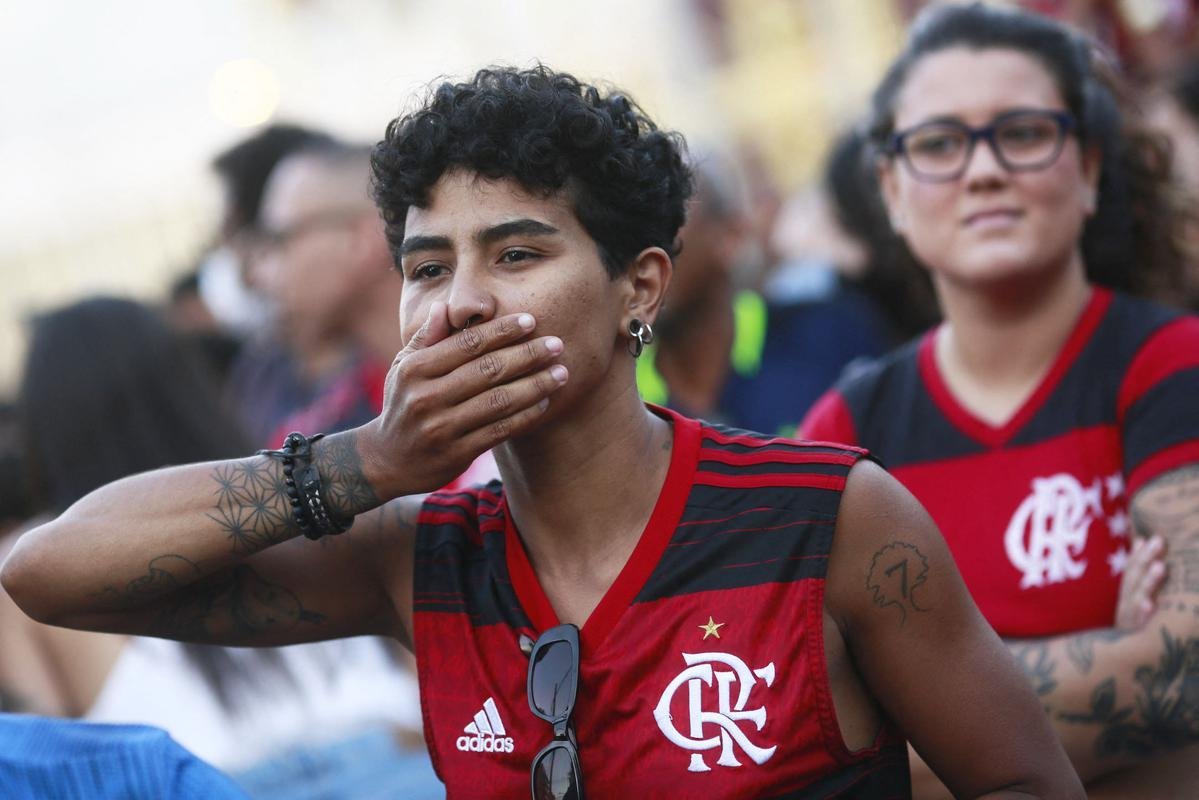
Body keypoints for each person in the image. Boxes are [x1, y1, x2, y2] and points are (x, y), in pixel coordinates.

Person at [2, 66, 1084, 799]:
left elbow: (1020, 782)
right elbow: (54, 574)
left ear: (636, 288)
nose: (459, 302)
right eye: (427, 268)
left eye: (516, 254)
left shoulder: (830, 517)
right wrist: (367, 462)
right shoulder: (416, 555)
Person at [799, 4, 1199, 797]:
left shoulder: (1173, 364)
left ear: (1086, 167)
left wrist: (899, 695)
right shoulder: (849, 426)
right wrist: (1112, 656)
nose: (982, 170)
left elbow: (1181, 679)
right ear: (891, 188)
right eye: (939, 143)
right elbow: (791, 733)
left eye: (1021, 133)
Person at [2, 297, 440, 798]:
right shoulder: (289, 495)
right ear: (186, 385)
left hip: (209, 780)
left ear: (46, 425)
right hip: (401, 757)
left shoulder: (29, 572)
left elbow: (38, 762)